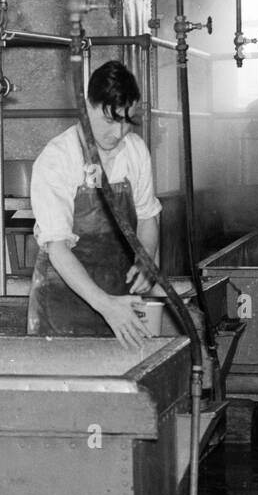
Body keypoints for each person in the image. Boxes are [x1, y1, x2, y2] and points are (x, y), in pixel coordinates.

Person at [28, 60, 161, 348]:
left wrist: (147, 258)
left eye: (128, 120)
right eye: (111, 120)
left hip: (119, 303)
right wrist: (105, 304)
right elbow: (57, 248)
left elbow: (148, 216)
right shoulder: (58, 158)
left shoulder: (135, 151)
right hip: (63, 306)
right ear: (86, 107)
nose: (120, 132)